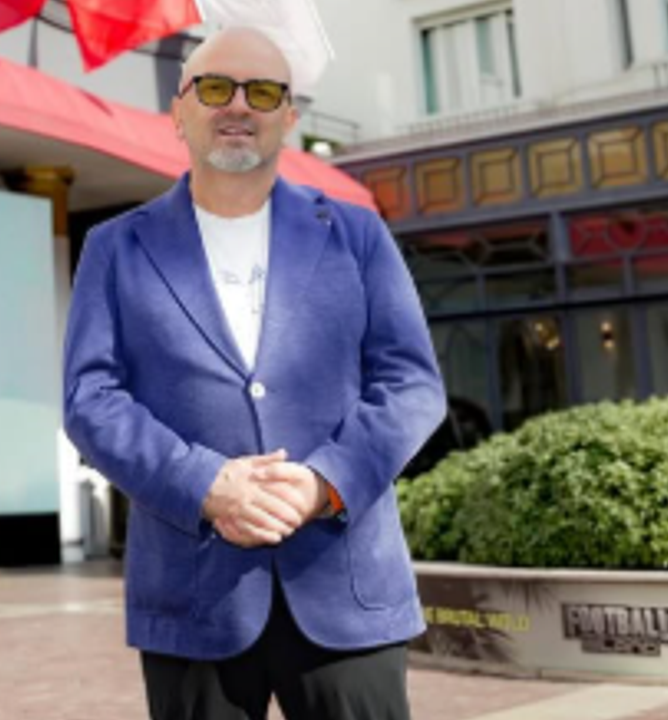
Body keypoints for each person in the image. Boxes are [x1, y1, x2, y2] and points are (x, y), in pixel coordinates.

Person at [63, 27, 446, 720]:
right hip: (194, 595)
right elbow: (91, 400)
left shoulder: (358, 235)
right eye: (216, 88)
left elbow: (412, 385)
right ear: (178, 110)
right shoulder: (115, 248)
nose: (238, 105)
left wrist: (322, 483)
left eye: (263, 92)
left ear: (289, 116)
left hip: (346, 590)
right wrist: (203, 483)